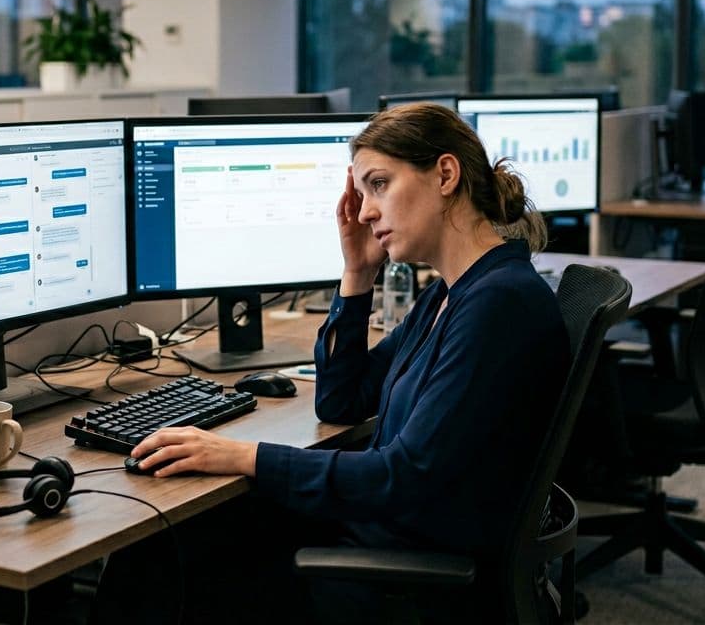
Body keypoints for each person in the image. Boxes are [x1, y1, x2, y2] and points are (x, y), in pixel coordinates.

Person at [95, 103, 571, 624]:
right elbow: (342, 400)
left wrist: (242, 456)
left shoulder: (498, 304)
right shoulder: (451, 295)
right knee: (168, 540)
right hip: (389, 534)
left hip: (411, 578)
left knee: (166, 558)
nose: (365, 213)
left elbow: (401, 478)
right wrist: (357, 274)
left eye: (379, 185)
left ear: (445, 175)